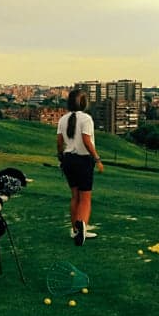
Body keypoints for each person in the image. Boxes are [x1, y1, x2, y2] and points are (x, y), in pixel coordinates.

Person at [56, 89, 104, 246]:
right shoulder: (87, 119)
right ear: (84, 103)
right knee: (85, 198)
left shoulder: (63, 119)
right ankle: (82, 227)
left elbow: (59, 142)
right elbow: (86, 140)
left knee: (74, 196)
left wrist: (61, 157)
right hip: (83, 161)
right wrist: (97, 159)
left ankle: (75, 230)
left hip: (68, 160)